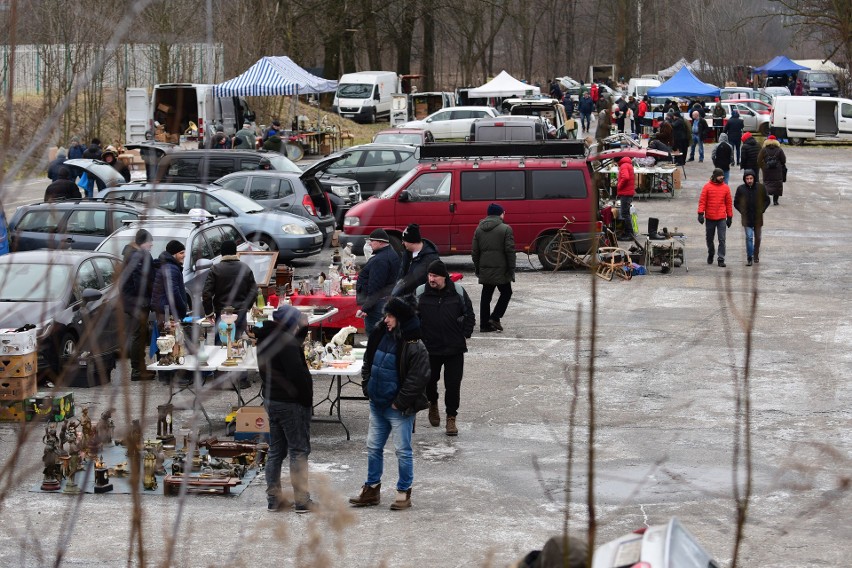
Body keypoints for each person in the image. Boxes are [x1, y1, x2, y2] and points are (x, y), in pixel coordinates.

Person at [349, 297, 430, 511]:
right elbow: (368, 361)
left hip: (398, 409)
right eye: (386, 315)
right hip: (377, 403)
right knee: (373, 447)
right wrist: (367, 387)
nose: (386, 320)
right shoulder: (379, 334)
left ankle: (404, 492)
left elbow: (419, 378)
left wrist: (399, 403)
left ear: (401, 318)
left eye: (391, 316)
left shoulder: (414, 344)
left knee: (402, 450)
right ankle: (372, 489)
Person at [254, 304, 314, 513]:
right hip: (290, 403)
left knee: (276, 451)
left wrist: (303, 327)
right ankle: (302, 500)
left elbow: (293, 345)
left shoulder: (266, 337)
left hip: (272, 400)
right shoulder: (285, 342)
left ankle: (274, 499)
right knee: (298, 450)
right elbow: (296, 373)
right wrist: (306, 398)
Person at [415, 259, 475, 436]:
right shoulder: (421, 292)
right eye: (429, 275)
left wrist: (465, 333)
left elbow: (469, 314)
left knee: (453, 385)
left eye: (434, 276)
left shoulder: (457, 291)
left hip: (454, 348)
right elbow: (412, 316)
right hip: (429, 348)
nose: (431, 279)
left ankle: (451, 418)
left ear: (444, 277)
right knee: (429, 382)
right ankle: (432, 404)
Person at [119, 229, 156, 381]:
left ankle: (140, 367)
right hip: (137, 303)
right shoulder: (139, 257)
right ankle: (137, 370)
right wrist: (146, 300)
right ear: (143, 243)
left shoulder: (131, 255)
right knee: (138, 335)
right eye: (149, 242)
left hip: (131, 301)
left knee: (139, 334)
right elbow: (142, 280)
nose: (151, 245)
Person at [472, 203, 515, 333]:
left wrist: (478, 268)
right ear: (500, 214)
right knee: (506, 292)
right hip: (501, 269)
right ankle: (495, 317)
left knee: (486, 295)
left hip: (485, 268)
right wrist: (511, 268)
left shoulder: (479, 229)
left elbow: (475, 252)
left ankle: (484, 325)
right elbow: (510, 251)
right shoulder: (506, 229)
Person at [356, 228, 401, 335]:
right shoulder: (392, 254)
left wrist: (365, 308)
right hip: (387, 300)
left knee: (375, 336)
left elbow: (375, 287)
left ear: (380, 242)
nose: (370, 244)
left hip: (377, 306)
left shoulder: (379, 260)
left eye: (372, 241)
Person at [391, 223, 440, 300]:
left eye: (404, 240)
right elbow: (401, 274)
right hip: (405, 298)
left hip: (422, 300)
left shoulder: (431, 258)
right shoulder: (406, 254)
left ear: (411, 241)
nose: (402, 243)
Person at [697, 168, 733, 267]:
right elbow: (702, 201)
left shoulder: (726, 188)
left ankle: (721, 258)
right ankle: (711, 252)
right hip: (710, 217)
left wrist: (729, 217)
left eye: (722, 175)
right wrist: (700, 213)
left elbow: (729, 203)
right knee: (709, 238)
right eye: (720, 176)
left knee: (722, 239)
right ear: (715, 176)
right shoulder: (707, 187)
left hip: (721, 217)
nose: (722, 177)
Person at [734, 169, 770, 266]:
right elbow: (736, 202)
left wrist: (762, 210)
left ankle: (756, 254)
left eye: (751, 178)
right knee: (749, 237)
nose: (749, 180)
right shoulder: (741, 189)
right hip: (747, 219)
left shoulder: (761, 188)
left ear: (754, 178)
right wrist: (742, 211)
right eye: (747, 178)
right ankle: (749, 257)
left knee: (757, 238)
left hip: (758, 218)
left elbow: (767, 200)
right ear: (744, 179)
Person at [150, 239, 188, 324]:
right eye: (181, 253)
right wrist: (182, 307)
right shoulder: (171, 268)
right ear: (174, 255)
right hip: (167, 312)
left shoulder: (170, 266)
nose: (184, 255)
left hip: (165, 310)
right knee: (170, 336)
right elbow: (173, 292)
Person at [757, 135, 786, 205]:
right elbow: (783, 160)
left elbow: (759, 160)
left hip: (767, 170)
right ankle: (775, 201)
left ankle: (766, 198)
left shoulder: (763, 150)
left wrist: (763, 167)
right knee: (777, 185)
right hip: (777, 170)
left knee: (767, 183)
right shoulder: (779, 149)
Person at [616, 157, 635, 237]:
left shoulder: (624, 165)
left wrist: (619, 186)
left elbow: (626, 177)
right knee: (626, 213)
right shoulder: (628, 164)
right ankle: (628, 232)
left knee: (625, 214)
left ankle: (629, 233)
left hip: (626, 193)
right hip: (628, 192)